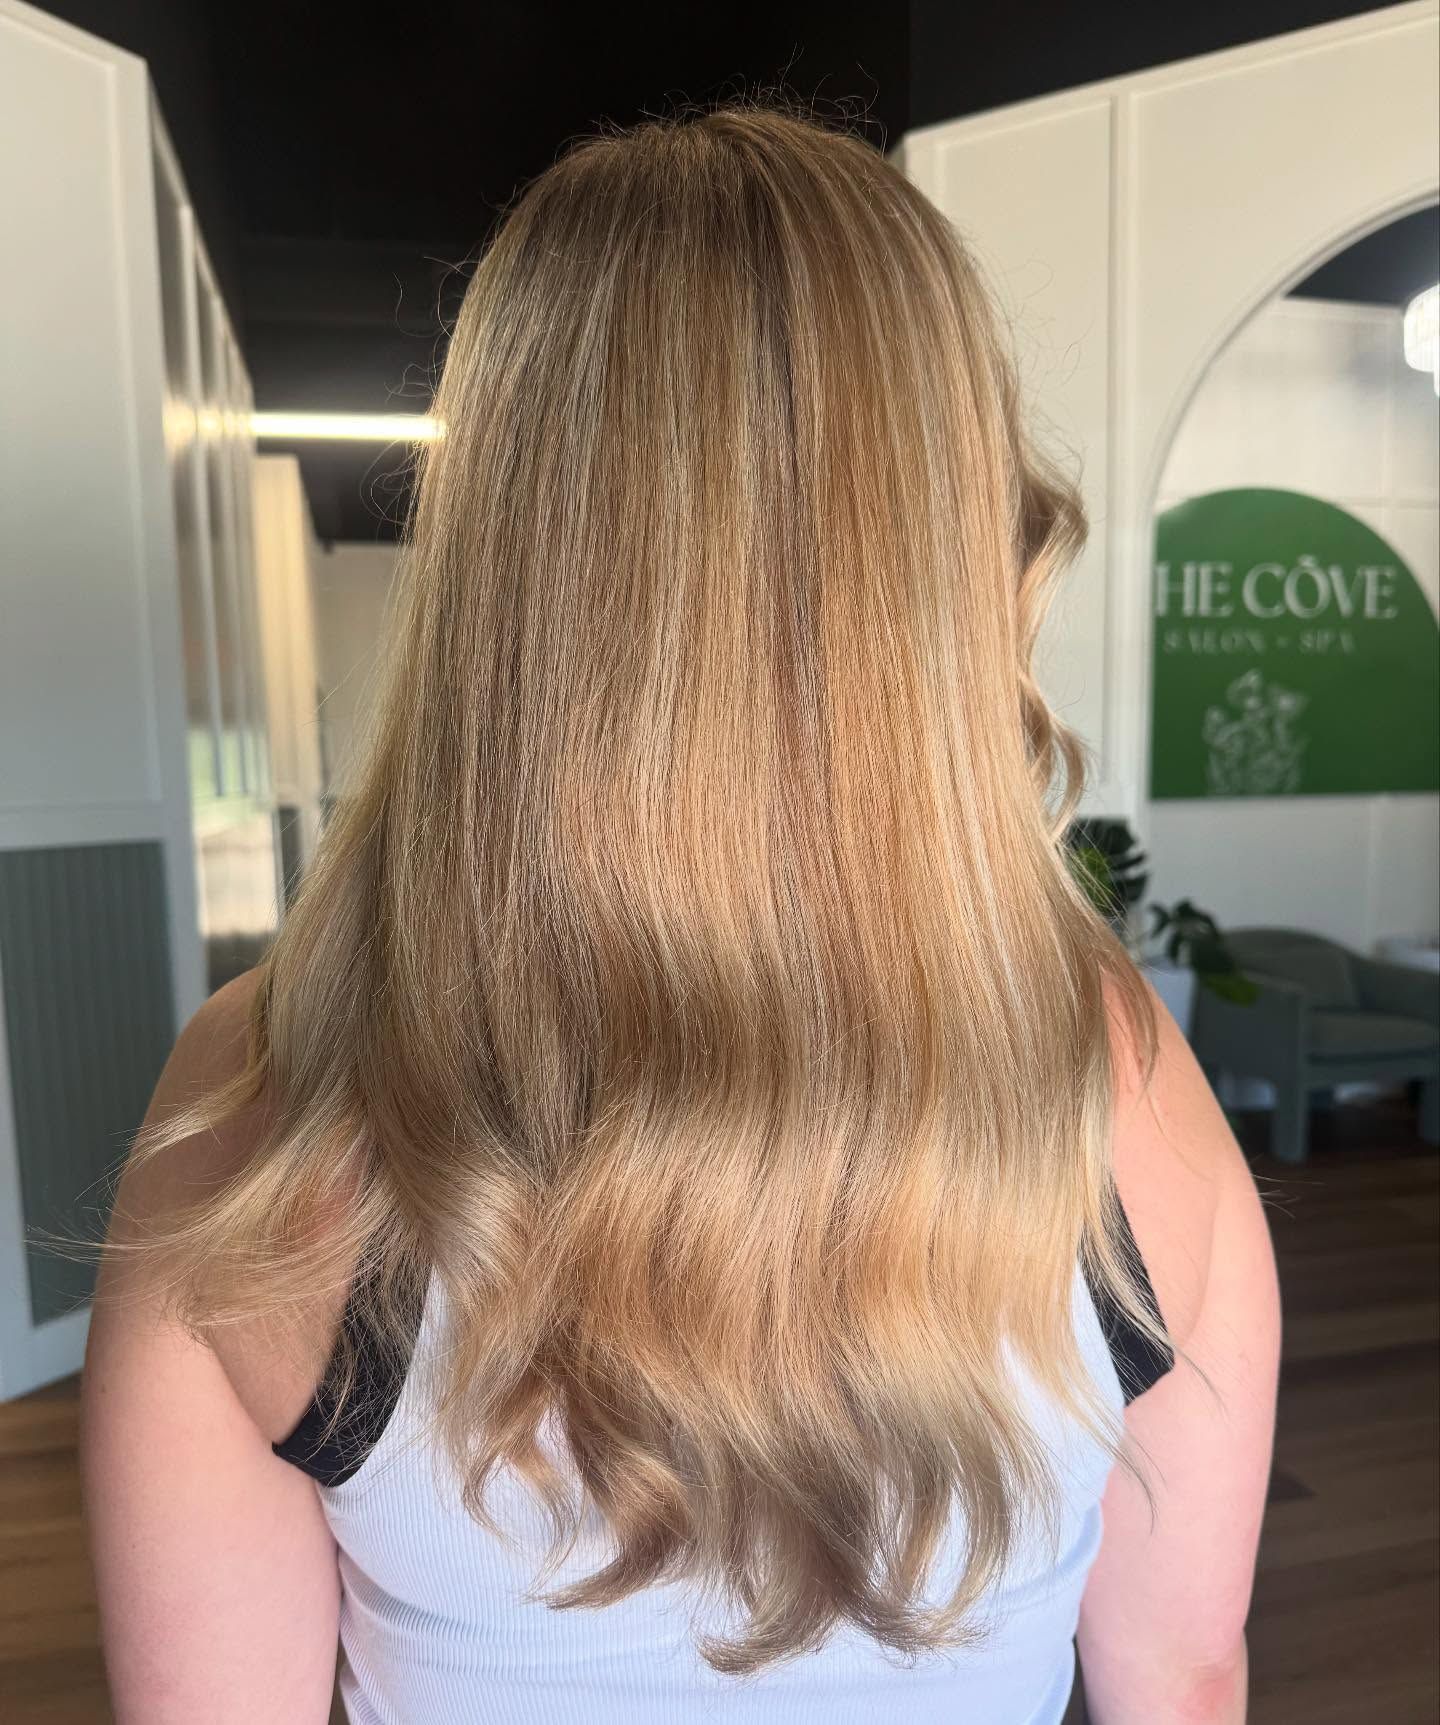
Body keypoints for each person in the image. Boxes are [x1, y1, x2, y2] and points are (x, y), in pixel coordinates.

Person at [82, 104, 1279, 1724]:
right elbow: (1183, 1676)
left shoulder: (262, 1099)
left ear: (498, 543)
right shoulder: (1117, 1075)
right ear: (955, 538)